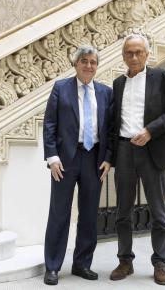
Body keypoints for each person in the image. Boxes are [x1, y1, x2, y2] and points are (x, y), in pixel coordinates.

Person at [109, 34, 165, 285]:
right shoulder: (118, 83)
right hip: (124, 150)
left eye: (139, 52)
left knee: (158, 212)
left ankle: (160, 263)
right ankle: (125, 261)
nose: (134, 57)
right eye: (129, 53)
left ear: (147, 54)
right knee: (123, 212)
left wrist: (150, 131)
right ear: (123, 56)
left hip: (152, 150)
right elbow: (112, 121)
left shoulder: (162, 78)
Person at [43, 45, 112, 285]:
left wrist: (108, 158)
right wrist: (52, 157)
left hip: (94, 159)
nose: (89, 65)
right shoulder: (61, 88)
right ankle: (52, 266)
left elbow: (110, 129)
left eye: (93, 62)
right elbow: (50, 123)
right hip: (65, 160)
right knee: (59, 213)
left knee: (89, 215)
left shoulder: (105, 92)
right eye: (84, 61)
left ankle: (82, 264)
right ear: (76, 63)